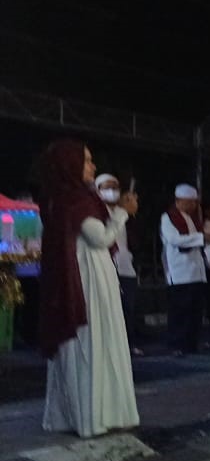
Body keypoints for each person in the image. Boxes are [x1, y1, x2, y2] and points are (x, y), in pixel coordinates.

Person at [38, 140, 140, 437]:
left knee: (81, 349)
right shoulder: (77, 200)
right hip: (88, 282)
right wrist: (123, 212)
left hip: (77, 279)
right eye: (87, 161)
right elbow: (101, 238)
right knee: (93, 345)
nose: (93, 167)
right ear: (70, 164)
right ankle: (94, 418)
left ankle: (75, 415)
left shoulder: (59, 198)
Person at [95, 173, 144, 356]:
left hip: (126, 268)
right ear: (98, 190)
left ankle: (128, 345)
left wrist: (131, 212)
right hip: (106, 268)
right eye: (107, 187)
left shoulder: (123, 213)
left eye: (115, 187)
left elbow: (137, 239)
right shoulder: (97, 212)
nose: (112, 191)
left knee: (127, 309)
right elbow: (104, 237)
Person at [161, 183, 210, 357]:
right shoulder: (168, 217)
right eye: (191, 202)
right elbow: (174, 239)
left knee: (195, 311)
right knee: (180, 311)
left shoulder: (191, 218)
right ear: (180, 201)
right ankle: (176, 344)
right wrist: (200, 237)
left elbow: (196, 241)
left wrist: (205, 239)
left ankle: (191, 343)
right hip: (180, 272)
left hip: (196, 271)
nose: (194, 205)